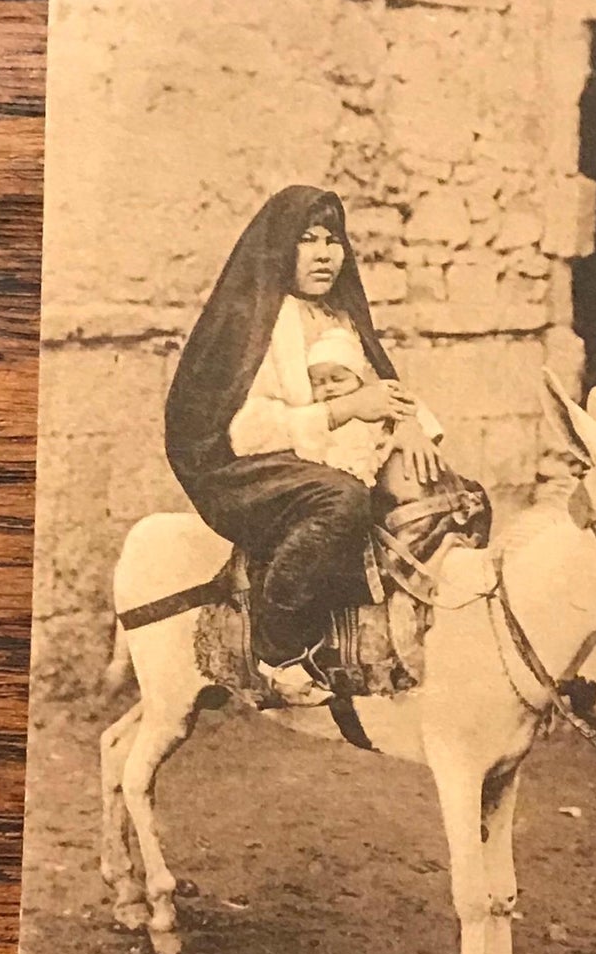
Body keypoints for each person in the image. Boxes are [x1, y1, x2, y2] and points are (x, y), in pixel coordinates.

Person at [164, 185, 444, 706]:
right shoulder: (259, 321)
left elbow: (379, 383)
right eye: (307, 240)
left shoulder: (339, 316)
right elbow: (246, 432)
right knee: (343, 500)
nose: (323, 254)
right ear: (281, 250)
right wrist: (345, 410)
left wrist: (407, 425)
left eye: (332, 240)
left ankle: (397, 643)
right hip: (240, 471)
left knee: (454, 494)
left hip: (325, 457)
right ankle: (278, 648)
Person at [302, 329, 393, 488]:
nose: (329, 388)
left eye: (337, 380)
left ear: (359, 379)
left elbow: (407, 407)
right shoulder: (319, 415)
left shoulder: (372, 405)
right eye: (319, 383)